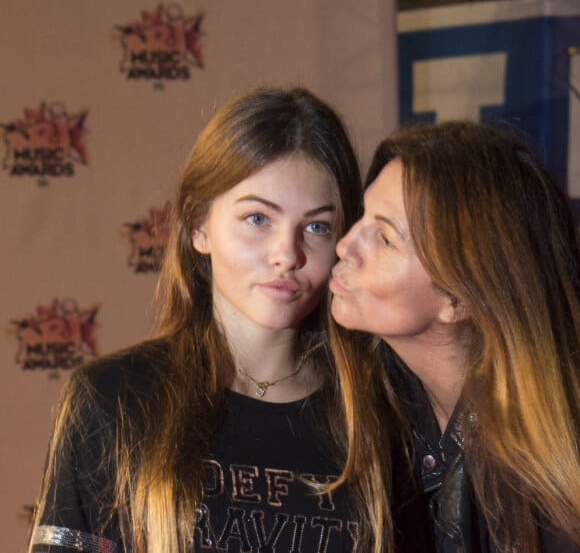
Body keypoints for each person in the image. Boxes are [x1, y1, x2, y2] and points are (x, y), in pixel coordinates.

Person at [29, 86, 367, 552]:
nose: (286, 255)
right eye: (257, 219)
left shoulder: (372, 409)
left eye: (316, 227)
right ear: (198, 226)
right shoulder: (113, 399)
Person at [329, 120, 580, 553]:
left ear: (458, 299)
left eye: (384, 238)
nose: (345, 244)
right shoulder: (370, 401)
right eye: (362, 217)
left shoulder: (554, 477)